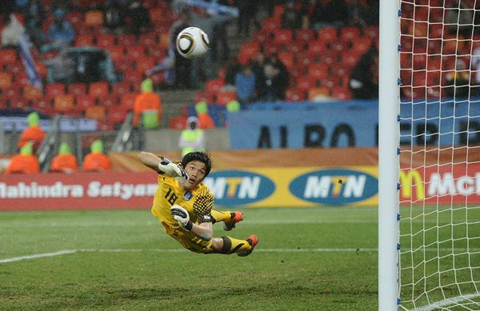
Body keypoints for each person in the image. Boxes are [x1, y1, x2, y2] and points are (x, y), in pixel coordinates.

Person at [137, 151, 259, 255]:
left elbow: (207, 233)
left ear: (204, 177)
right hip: (174, 214)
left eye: (201, 172)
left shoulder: (203, 197)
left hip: (183, 228)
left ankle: (247, 245)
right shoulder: (172, 169)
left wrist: (188, 224)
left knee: (210, 246)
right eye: (192, 168)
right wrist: (162, 166)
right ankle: (230, 217)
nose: (195, 174)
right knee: (203, 214)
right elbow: (142, 156)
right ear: (184, 167)